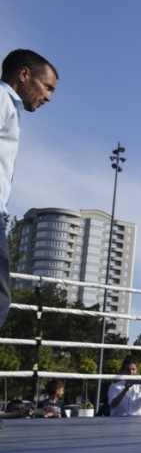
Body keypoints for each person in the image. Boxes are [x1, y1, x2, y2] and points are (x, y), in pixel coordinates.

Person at [0, 50, 58, 329]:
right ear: (24, 75)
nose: (48, 96)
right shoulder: (1, 98)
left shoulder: (9, 107)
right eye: (47, 87)